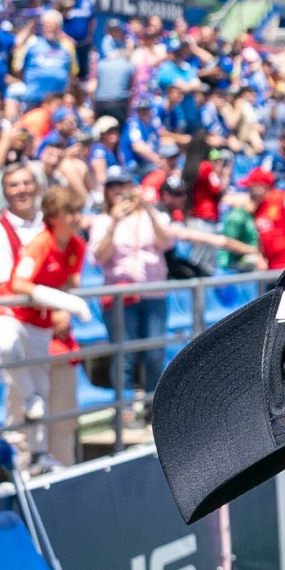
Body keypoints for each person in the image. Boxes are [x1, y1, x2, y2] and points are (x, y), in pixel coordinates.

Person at [0, 185, 86, 469]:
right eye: (69, 212)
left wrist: (61, 303)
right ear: (55, 216)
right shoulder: (40, 243)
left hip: (41, 322)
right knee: (6, 351)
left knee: (41, 389)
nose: (76, 217)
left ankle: (38, 455)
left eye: (78, 211)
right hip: (14, 314)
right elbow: (19, 284)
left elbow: (71, 281)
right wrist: (60, 300)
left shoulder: (77, 246)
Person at [90, 169, 174, 403]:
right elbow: (98, 257)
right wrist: (115, 221)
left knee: (155, 353)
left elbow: (166, 242)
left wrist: (146, 207)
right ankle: (123, 411)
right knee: (124, 355)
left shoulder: (151, 216)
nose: (119, 190)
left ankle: (153, 408)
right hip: (121, 296)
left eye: (123, 184)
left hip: (154, 291)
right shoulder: (103, 221)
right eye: (113, 186)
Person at [240, 166, 285, 271]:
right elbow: (260, 236)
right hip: (272, 267)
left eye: (250, 186)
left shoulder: (284, 198)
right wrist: (260, 257)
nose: (248, 190)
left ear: (260, 186)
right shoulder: (259, 207)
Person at [11, 11, 76, 107]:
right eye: (47, 25)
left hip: (58, 100)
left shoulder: (67, 46)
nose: (50, 28)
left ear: (59, 27)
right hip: (34, 97)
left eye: (53, 25)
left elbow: (72, 72)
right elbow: (17, 67)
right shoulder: (32, 42)